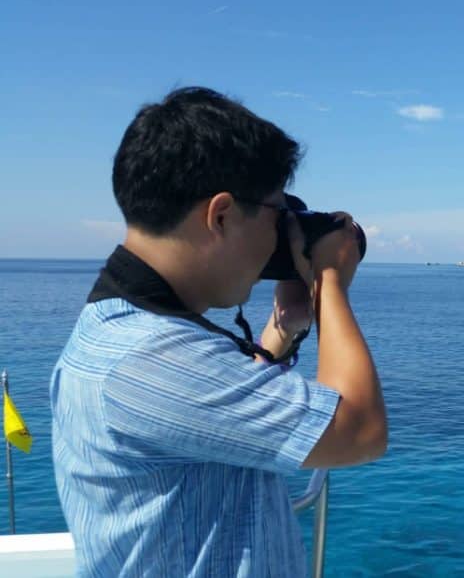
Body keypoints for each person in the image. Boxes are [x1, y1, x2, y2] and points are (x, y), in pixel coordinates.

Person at [50, 86, 388, 577]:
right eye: (277, 215)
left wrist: (284, 328)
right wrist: (330, 280)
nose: (280, 236)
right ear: (222, 215)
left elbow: (208, 406)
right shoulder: (147, 360)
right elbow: (360, 431)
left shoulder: (119, 327)